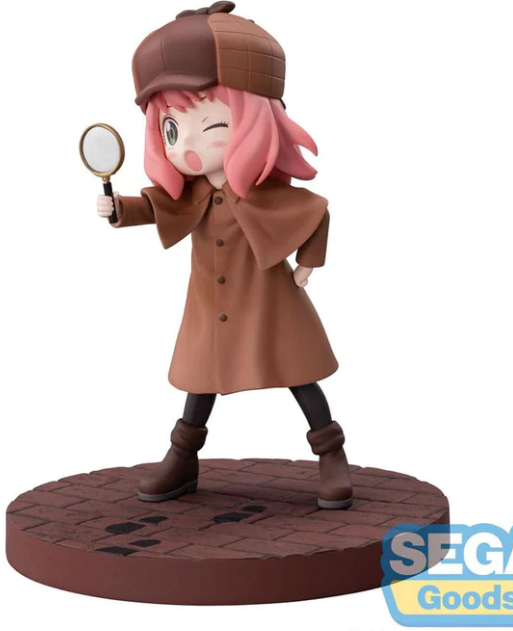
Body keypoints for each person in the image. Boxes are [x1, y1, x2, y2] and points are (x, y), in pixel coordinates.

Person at [96, 2, 353, 509]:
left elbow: (315, 213)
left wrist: (308, 263)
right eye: (172, 130)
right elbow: (159, 205)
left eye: (212, 123)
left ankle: (332, 454)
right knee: (200, 376)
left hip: (268, 298)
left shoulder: (262, 193)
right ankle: (182, 458)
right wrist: (119, 208)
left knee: (297, 372)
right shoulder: (192, 191)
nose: (188, 145)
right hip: (208, 303)